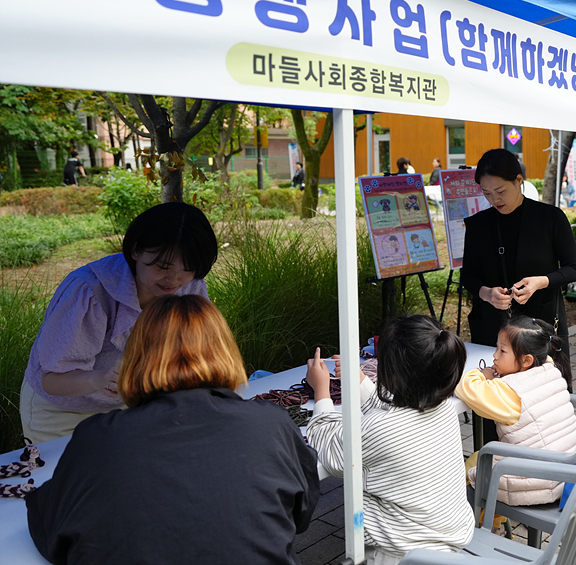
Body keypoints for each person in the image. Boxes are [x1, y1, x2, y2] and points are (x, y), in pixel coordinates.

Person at [26, 295, 320, 565]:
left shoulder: (97, 437)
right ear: (226, 352)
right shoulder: (271, 424)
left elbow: (51, 531)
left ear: (136, 358)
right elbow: (301, 512)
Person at [20, 202, 218, 443]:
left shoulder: (191, 286)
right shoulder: (89, 291)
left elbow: (198, 350)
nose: (174, 280)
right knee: (67, 479)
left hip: (135, 404)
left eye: (188, 269)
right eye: (162, 266)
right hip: (62, 412)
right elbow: (51, 379)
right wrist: (100, 379)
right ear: (136, 251)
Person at [305, 315, 475, 565]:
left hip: (399, 555)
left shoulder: (382, 427)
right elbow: (393, 408)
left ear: (391, 372)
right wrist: (359, 378)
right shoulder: (443, 407)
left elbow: (332, 452)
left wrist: (321, 390)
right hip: (445, 541)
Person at [456, 316, 576, 516]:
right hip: (566, 469)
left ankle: (472, 522)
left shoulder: (509, 394)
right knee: (489, 458)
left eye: (502, 351)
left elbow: (466, 387)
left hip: (535, 481)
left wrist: (482, 374)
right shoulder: (549, 367)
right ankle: (496, 525)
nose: (494, 356)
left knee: (471, 467)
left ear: (526, 360)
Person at [461, 148, 576, 350]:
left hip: (540, 326)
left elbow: (574, 268)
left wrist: (541, 282)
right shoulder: (478, 225)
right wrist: (487, 294)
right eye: (487, 193)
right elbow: (468, 276)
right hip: (493, 329)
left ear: (519, 180)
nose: (494, 200)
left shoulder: (550, 218)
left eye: (500, 192)